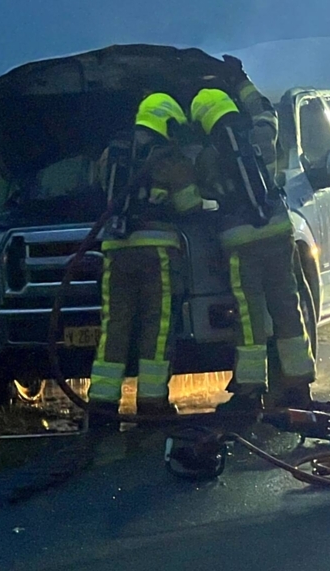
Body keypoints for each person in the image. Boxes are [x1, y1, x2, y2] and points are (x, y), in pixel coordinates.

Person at [191, 87, 316, 411]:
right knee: (288, 307)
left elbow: (197, 196)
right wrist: (244, 86)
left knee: (250, 315)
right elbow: (267, 112)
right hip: (277, 231)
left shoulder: (207, 155)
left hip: (239, 242)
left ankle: (249, 392)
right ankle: (299, 388)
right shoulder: (259, 135)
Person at [88, 93, 202, 420]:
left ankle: (101, 405)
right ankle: (152, 404)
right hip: (157, 253)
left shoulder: (112, 152)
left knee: (115, 326)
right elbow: (189, 205)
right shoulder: (169, 158)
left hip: (115, 250)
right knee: (157, 325)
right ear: (167, 122)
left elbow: (99, 190)